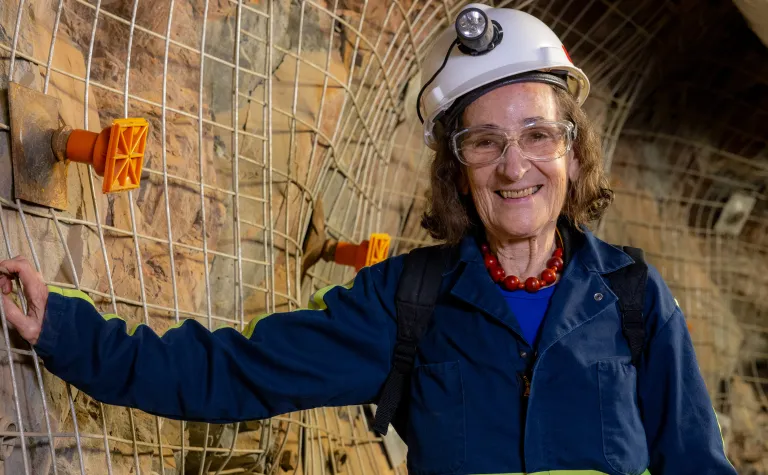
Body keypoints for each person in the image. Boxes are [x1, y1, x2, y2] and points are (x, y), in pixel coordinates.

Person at [1, 5, 736, 475]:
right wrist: (67, 331)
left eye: (538, 135)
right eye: (485, 142)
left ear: (573, 152)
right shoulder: (408, 302)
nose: (515, 167)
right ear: (457, 171)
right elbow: (237, 371)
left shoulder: (634, 300)